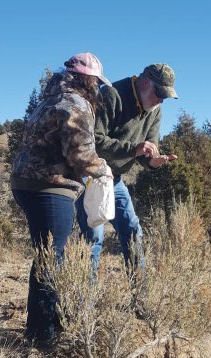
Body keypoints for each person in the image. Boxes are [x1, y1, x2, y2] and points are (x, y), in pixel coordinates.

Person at [11, 52, 113, 345]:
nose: (97, 88)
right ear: (89, 80)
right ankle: (44, 335)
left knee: (46, 254)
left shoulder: (50, 98)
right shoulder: (76, 103)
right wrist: (102, 169)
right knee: (51, 258)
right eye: (96, 82)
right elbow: (79, 153)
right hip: (50, 187)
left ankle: (40, 327)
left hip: (26, 182)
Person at [76, 63, 179, 269]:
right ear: (144, 82)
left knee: (133, 230)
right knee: (93, 236)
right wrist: (135, 149)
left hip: (115, 179)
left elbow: (145, 151)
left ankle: (140, 292)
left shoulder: (155, 110)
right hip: (91, 174)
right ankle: (84, 299)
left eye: (165, 96)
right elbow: (93, 140)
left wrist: (152, 162)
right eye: (158, 93)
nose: (160, 100)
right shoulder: (112, 95)